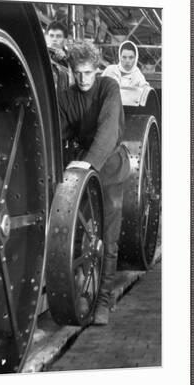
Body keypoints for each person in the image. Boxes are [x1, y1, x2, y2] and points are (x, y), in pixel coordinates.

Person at [58, 41, 131, 325]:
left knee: (108, 240)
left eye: (88, 72)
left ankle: (103, 301)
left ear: (97, 70)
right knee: (83, 235)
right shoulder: (66, 96)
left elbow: (109, 129)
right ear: (72, 71)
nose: (83, 79)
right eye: (78, 73)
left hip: (109, 167)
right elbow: (59, 131)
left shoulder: (108, 88)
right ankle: (85, 291)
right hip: (83, 170)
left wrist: (87, 164)